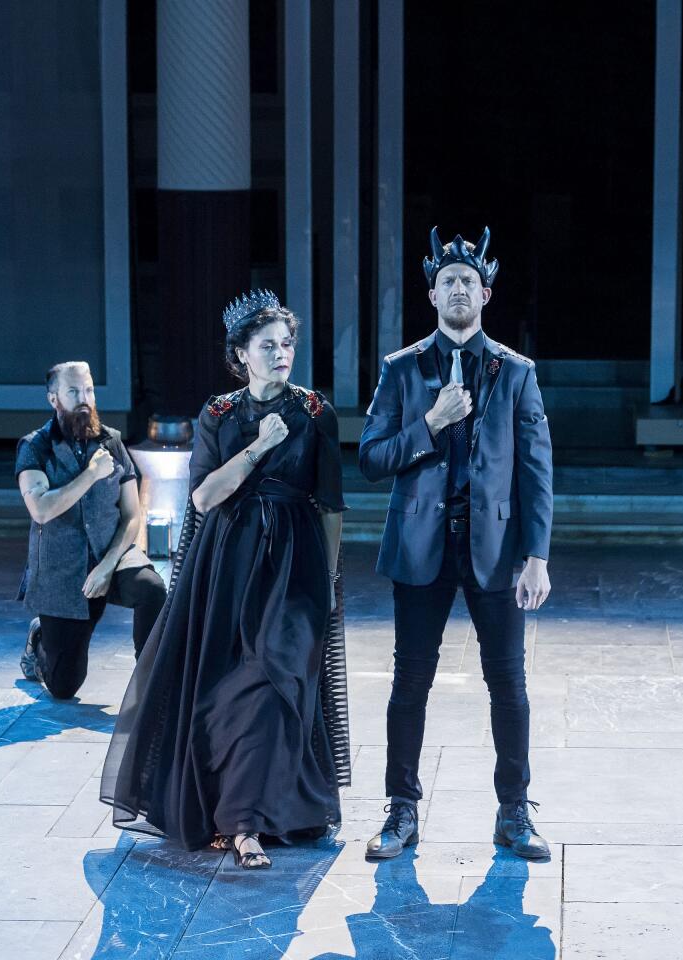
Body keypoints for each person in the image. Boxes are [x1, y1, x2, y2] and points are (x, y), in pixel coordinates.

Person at [100, 290, 350, 871]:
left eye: (288, 344)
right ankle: (239, 816)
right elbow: (205, 495)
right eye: (269, 346)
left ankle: (249, 825)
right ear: (242, 354)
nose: (282, 354)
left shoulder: (316, 412)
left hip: (294, 562)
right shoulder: (217, 414)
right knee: (227, 688)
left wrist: (330, 577)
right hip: (228, 560)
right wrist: (259, 446)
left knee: (276, 680)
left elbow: (331, 504)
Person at [359, 227, 554, 861]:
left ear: (486, 293)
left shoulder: (517, 373)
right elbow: (370, 457)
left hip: (495, 550)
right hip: (422, 547)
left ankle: (514, 811)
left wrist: (538, 555)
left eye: (469, 281)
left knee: (509, 684)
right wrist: (431, 423)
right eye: (448, 281)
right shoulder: (401, 369)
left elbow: (536, 469)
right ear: (432, 295)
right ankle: (401, 810)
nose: (459, 289)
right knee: (409, 682)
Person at [16, 361, 165, 700]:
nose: (84, 399)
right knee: (64, 687)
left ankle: (151, 685)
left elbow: (130, 515)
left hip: (111, 558)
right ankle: (40, 641)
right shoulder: (34, 447)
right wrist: (90, 475)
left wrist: (108, 565)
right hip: (64, 572)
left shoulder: (111, 442)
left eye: (88, 390)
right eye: (73, 391)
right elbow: (40, 510)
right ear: (54, 399)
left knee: (152, 589)